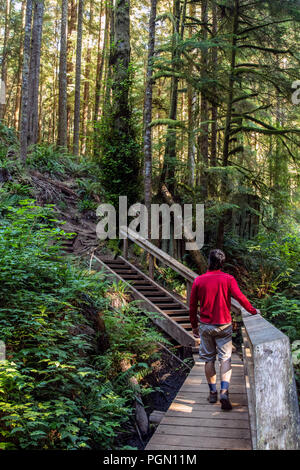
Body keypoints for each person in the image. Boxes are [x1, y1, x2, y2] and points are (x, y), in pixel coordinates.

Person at [189, 249, 260, 411]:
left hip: (206, 326)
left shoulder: (199, 281)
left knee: (208, 359)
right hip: (224, 325)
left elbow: (192, 306)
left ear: (209, 261)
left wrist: (194, 325)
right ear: (222, 263)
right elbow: (240, 298)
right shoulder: (228, 279)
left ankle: (212, 393)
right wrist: (253, 311)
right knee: (225, 359)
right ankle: (224, 392)